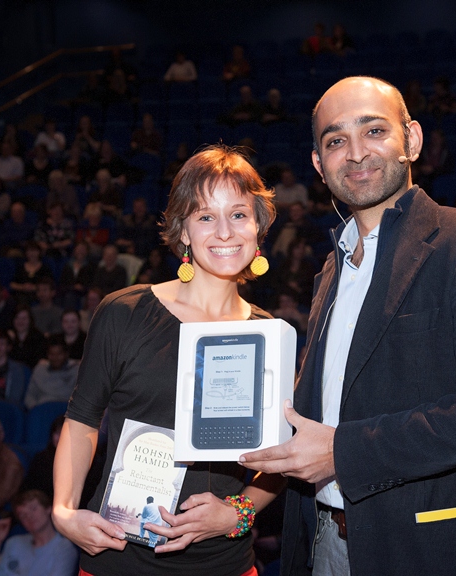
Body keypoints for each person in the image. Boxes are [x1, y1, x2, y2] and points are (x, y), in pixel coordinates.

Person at [239, 76, 456, 576]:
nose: (356, 153)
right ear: (319, 165)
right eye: (336, 141)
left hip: (429, 550)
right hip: (323, 545)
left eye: (374, 131)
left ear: (413, 141)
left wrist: (344, 451)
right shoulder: (330, 270)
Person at [52, 145, 285, 576]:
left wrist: (238, 513)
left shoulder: (269, 335)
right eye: (205, 216)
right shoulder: (123, 311)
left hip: (225, 564)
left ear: (258, 228)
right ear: (183, 231)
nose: (224, 231)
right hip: (117, 558)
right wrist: (63, 510)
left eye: (238, 214)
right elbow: (82, 420)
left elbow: (280, 458)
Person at [0, 489, 79, 576]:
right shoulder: (14, 543)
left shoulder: (64, 548)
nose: (29, 516)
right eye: (23, 515)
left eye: (33, 509)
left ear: (48, 508)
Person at [24, 336, 79, 409]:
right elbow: (29, 396)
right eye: (52, 354)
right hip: (42, 410)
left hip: (67, 412)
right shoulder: (39, 370)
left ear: (66, 354)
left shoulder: (77, 371)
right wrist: (36, 409)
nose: (55, 358)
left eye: (59, 354)